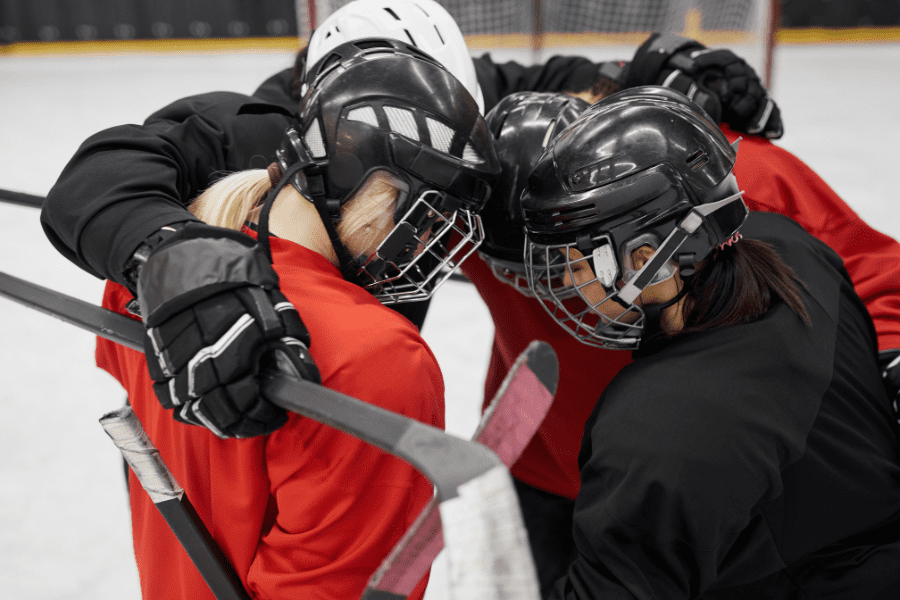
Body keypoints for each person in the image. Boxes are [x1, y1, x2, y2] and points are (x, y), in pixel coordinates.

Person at [460, 39, 900, 596]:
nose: (554, 289)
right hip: (549, 462)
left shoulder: (720, 179)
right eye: (521, 271)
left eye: (566, 260)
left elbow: (874, 266)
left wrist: (890, 352)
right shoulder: (465, 207)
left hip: (689, 476)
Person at [95, 39, 499, 599]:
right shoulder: (381, 357)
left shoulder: (146, 283)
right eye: (427, 218)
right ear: (379, 188)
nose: (424, 245)